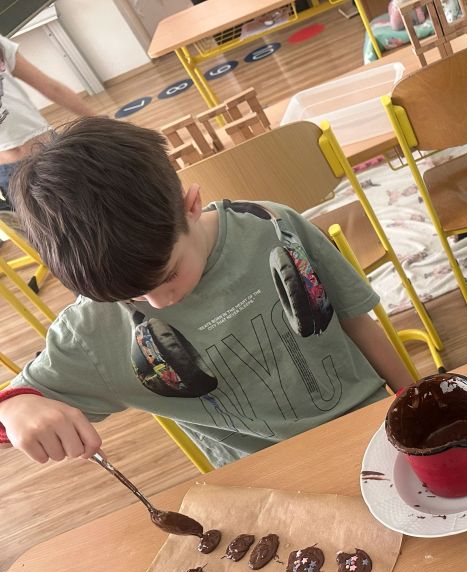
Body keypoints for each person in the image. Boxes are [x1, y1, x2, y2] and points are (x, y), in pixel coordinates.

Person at [0, 117, 412, 467]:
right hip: (268, 479)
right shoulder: (92, 329)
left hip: (373, 427)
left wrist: (411, 399)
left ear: (191, 205)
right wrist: (16, 409)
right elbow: (10, 409)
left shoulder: (273, 225)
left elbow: (358, 322)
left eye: (169, 275)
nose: (159, 302)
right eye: (133, 297)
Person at [0, 34, 95, 210]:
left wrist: (99, 122)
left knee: (97, 203)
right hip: (9, 172)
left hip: (51, 147)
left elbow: (51, 87)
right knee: (58, 224)